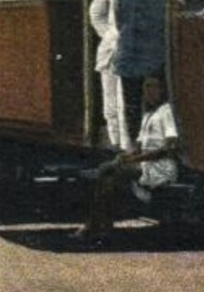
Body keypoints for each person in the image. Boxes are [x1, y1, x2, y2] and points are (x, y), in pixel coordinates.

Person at [74, 76, 182, 243]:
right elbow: (138, 146)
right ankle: (101, 225)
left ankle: (95, 225)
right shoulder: (148, 114)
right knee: (107, 173)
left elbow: (169, 147)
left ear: (162, 90)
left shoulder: (167, 111)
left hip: (160, 167)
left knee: (107, 172)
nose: (149, 91)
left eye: (154, 87)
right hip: (146, 163)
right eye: (146, 87)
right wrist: (125, 156)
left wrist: (135, 159)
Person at [113, 0, 166, 149]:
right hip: (129, 51)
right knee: (131, 102)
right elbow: (119, 19)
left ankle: (156, 145)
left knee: (155, 101)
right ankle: (134, 143)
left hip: (156, 51)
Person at [88, 0, 136, 150]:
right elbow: (96, 13)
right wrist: (108, 34)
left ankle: (129, 145)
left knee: (125, 99)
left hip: (137, 47)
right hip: (112, 49)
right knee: (110, 100)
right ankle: (115, 143)